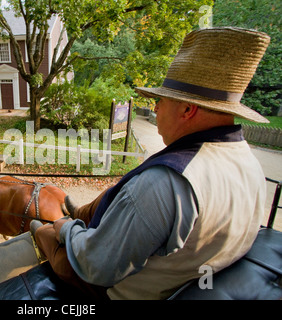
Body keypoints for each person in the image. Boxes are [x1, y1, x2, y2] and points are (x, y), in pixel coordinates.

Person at [33, 27, 271, 300]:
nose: (155, 109)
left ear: (187, 109)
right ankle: (83, 212)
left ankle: (64, 223)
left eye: (160, 100)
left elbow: (95, 265)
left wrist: (66, 229)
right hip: (197, 269)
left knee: (45, 230)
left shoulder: (164, 182)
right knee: (119, 192)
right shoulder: (249, 162)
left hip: (124, 289)